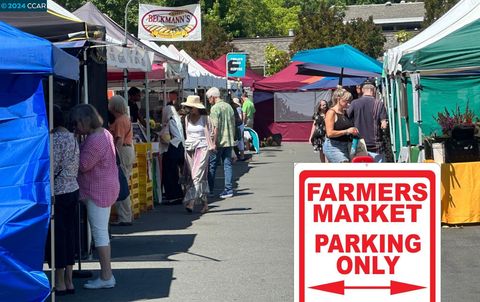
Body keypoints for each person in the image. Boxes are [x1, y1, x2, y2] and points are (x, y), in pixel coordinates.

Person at [70, 104, 118, 289]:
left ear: (84, 121)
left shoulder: (95, 139)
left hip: (98, 191)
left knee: (100, 235)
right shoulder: (104, 133)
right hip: (105, 188)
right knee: (101, 233)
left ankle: (107, 276)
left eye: (77, 123)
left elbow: (82, 165)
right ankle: (107, 275)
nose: (76, 127)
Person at [46, 105, 79, 295]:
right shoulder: (72, 139)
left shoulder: (53, 140)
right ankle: (69, 279)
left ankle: (59, 281)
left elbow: (50, 168)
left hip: (57, 193)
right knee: (69, 234)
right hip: (72, 189)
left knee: (57, 237)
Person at [181, 95, 214, 213]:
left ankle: (191, 201)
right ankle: (205, 204)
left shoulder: (205, 118)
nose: (190, 109)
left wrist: (212, 144)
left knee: (196, 175)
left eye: (191, 107)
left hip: (203, 147)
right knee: (198, 177)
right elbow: (186, 133)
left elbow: (211, 133)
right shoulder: (187, 118)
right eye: (188, 107)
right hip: (190, 148)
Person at [108, 95, 135, 226]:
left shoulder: (119, 121)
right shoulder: (125, 119)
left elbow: (119, 140)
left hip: (122, 151)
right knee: (124, 181)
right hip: (128, 150)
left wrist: (114, 156)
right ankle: (126, 214)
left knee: (121, 183)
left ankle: (124, 216)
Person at [347, 80, 388, 162]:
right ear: (374, 90)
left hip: (359, 144)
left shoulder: (354, 103)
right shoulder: (379, 103)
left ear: (362, 90)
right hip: (376, 146)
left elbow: (347, 118)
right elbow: (384, 124)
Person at [206, 87, 236, 198]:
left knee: (212, 165)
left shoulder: (214, 109)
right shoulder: (229, 107)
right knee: (227, 165)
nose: (209, 101)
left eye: (209, 98)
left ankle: (210, 189)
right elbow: (233, 125)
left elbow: (215, 127)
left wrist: (213, 142)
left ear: (213, 97)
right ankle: (228, 189)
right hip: (228, 140)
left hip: (218, 142)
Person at [323, 87, 358, 163]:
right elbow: (329, 133)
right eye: (346, 101)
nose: (348, 104)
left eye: (349, 101)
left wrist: (353, 130)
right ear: (338, 99)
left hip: (346, 146)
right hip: (333, 146)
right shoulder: (331, 112)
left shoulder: (345, 113)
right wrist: (347, 131)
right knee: (344, 166)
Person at [161, 104, 185, 203]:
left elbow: (177, 137)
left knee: (170, 173)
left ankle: (173, 196)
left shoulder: (171, 121)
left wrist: (169, 142)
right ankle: (177, 194)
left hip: (173, 149)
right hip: (179, 149)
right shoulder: (177, 119)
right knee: (174, 173)